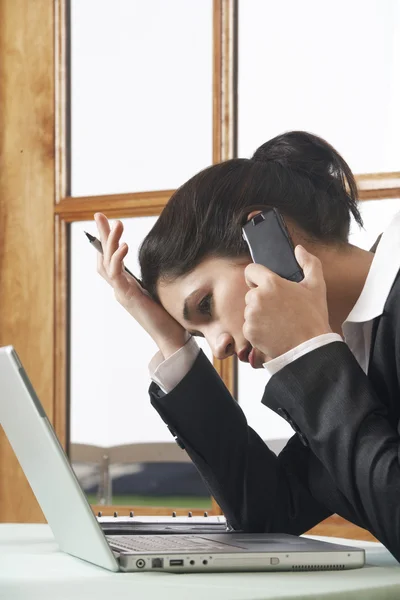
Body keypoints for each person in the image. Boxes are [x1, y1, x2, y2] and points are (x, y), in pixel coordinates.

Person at [94, 131, 400, 561]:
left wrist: (309, 349)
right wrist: (170, 340)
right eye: (200, 332)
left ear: (267, 238)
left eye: (206, 304)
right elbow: (270, 512)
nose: (218, 348)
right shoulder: (354, 351)